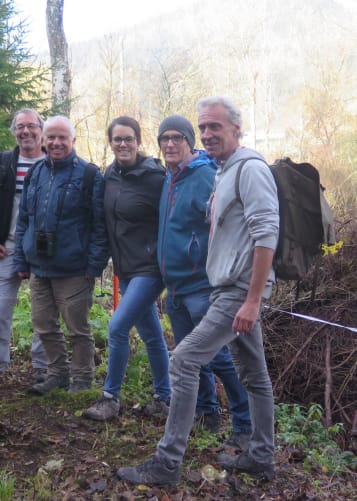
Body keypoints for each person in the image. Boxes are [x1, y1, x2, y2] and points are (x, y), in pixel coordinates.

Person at [117, 96, 279, 485]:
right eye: (203, 127)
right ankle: (260, 455)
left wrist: (253, 300)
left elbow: (266, 234)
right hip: (225, 288)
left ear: (236, 130)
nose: (207, 134)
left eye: (215, 127)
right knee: (255, 375)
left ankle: (167, 463)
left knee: (184, 360)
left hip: (237, 292)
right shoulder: (224, 170)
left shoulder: (250, 169)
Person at [156, 114, 252, 450]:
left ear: (188, 141)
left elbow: (224, 226)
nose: (170, 144)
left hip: (202, 285)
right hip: (176, 286)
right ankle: (207, 412)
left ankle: (244, 423)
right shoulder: (170, 178)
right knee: (193, 360)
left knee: (221, 358)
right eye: (164, 138)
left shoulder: (206, 175)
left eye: (177, 137)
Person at [83, 116, 171, 421]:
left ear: (138, 141)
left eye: (128, 139)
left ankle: (110, 397)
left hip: (150, 268)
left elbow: (173, 220)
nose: (123, 144)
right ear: (111, 142)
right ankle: (165, 397)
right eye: (117, 139)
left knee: (118, 326)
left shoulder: (156, 177)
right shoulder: (110, 176)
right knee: (151, 334)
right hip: (126, 268)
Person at [14, 116, 109, 394]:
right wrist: (21, 259)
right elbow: (24, 220)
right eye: (51, 137)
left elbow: (100, 226)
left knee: (77, 329)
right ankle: (57, 374)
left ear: (73, 141)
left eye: (62, 138)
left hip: (74, 269)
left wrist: (94, 265)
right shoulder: (36, 173)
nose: (56, 143)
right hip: (39, 268)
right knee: (43, 325)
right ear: (43, 140)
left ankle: (82, 379)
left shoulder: (90, 175)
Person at [0, 108, 48, 381]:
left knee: (44, 313)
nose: (25, 131)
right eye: (20, 127)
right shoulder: (0, 164)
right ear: (14, 132)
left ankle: (42, 367)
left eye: (31, 126)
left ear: (42, 130)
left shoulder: (54, 163)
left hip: (43, 252)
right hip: (5, 249)